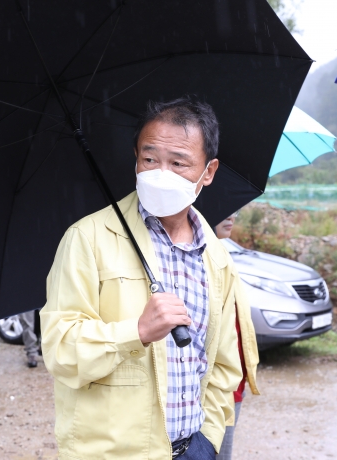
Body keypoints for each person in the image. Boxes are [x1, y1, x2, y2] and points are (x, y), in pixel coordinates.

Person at [40, 96, 242, 460]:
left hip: (194, 449)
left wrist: (208, 438)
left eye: (178, 163)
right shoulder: (87, 238)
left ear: (208, 171)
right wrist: (136, 331)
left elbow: (223, 363)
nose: (161, 173)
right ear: (136, 157)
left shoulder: (217, 257)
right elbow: (60, 351)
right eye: (150, 159)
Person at [213, 213, 260, 460]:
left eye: (235, 209)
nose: (232, 215)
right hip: (213, 389)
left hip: (233, 385)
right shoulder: (194, 260)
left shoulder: (222, 256)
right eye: (223, 209)